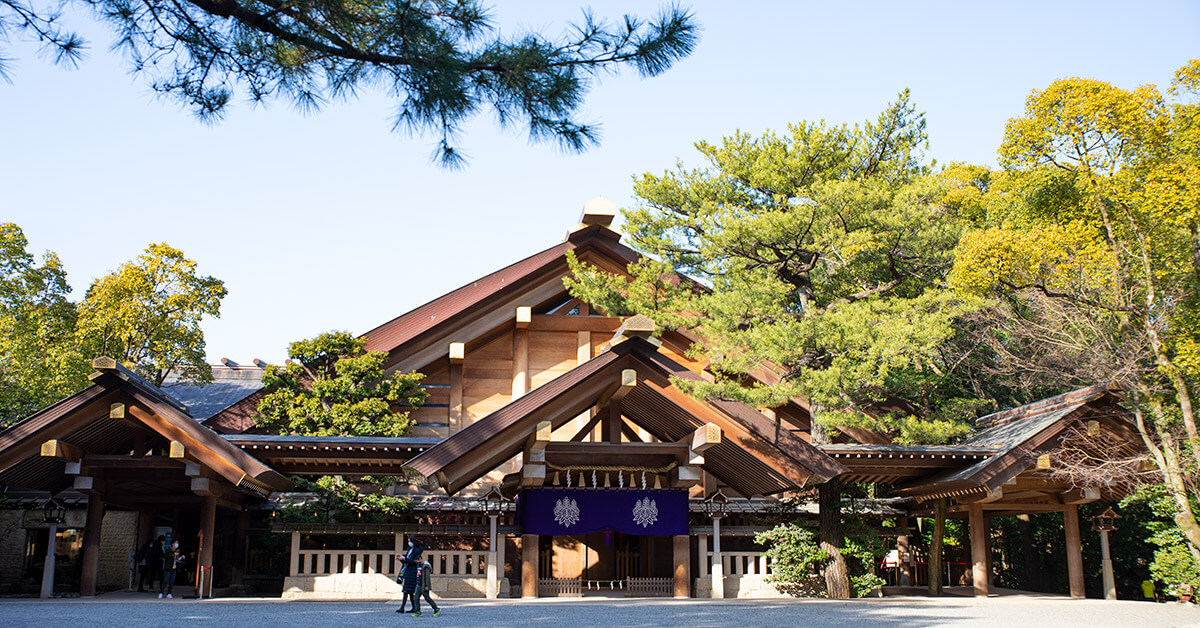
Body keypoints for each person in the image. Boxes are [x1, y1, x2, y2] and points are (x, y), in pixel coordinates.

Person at [396, 537, 423, 613]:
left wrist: (404, 558)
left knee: (407, 590)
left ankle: (403, 607)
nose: (409, 543)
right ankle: (413, 607)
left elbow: (414, 562)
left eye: (409, 541)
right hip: (408, 571)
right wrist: (401, 559)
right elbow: (407, 561)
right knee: (409, 591)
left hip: (413, 572)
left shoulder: (417, 550)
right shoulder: (409, 549)